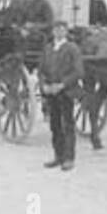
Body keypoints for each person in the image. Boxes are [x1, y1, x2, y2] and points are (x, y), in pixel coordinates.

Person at [39, 19, 84, 171]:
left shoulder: (72, 48)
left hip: (66, 92)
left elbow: (78, 71)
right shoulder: (48, 48)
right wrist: (44, 85)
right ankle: (58, 156)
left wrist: (62, 84)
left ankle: (69, 158)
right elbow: (42, 70)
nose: (58, 32)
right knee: (55, 125)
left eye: (62, 29)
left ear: (66, 32)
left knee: (68, 125)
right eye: (56, 29)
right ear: (53, 32)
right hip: (51, 92)